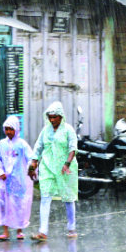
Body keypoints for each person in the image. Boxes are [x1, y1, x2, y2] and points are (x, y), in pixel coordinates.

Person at [28, 101, 78, 241]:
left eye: (55, 116)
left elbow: (72, 148)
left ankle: (71, 227)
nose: (52, 119)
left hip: (64, 169)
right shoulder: (45, 131)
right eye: (50, 116)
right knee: (45, 197)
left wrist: (67, 163)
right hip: (48, 168)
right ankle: (43, 232)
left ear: (61, 116)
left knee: (68, 198)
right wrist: (33, 167)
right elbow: (37, 149)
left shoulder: (68, 130)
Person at [0, 115, 33, 241]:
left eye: (11, 129)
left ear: (16, 129)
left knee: (18, 204)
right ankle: (6, 231)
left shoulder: (22, 145)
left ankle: (19, 230)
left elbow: (30, 159)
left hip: (18, 180)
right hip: (4, 180)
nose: (8, 132)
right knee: (4, 204)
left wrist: (30, 169)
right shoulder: (1, 144)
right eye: (6, 129)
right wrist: (0, 172)